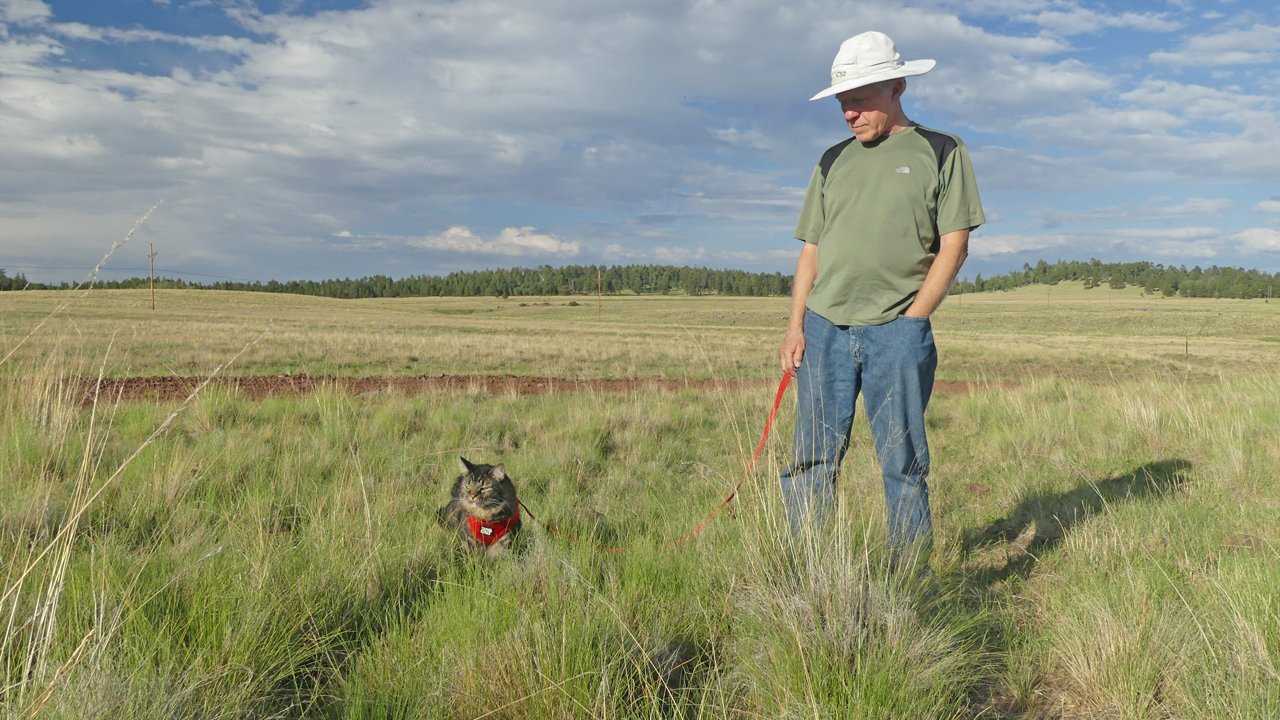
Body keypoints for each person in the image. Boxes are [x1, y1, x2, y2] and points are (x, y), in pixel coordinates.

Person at [779, 31, 984, 561]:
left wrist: (913, 320)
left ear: (897, 87)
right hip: (824, 330)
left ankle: (910, 578)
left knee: (903, 463)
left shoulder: (942, 150)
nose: (849, 113)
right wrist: (795, 326)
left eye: (860, 100)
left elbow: (954, 245)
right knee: (811, 459)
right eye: (843, 103)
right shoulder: (831, 161)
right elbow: (811, 251)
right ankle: (806, 572)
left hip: (898, 330)